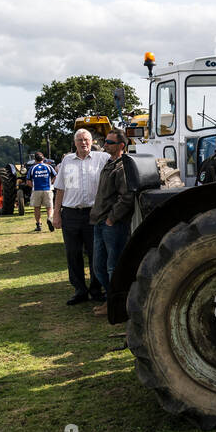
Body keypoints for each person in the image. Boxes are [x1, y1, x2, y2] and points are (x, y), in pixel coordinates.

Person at [51, 129, 110, 306]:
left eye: (86, 139)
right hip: (70, 214)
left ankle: (96, 289)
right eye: (79, 140)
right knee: (73, 253)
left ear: (91, 142)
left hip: (93, 213)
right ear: (74, 143)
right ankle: (79, 290)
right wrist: (56, 214)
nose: (83, 143)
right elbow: (60, 188)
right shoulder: (67, 161)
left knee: (96, 254)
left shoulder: (102, 158)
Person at [90, 131, 135, 315]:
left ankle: (118, 305)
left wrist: (112, 219)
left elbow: (127, 197)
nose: (105, 144)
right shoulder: (110, 164)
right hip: (100, 221)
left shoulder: (122, 167)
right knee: (99, 266)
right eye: (105, 141)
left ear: (121, 146)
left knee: (112, 267)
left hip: (112, 224)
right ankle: (111, 300)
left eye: (109, 142)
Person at [27, 152, 56, 232]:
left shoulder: (32, 168)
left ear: (35, 160)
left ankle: (38, 225)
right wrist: (52, 183)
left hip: (36, 190)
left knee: (37, 208)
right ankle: (50, 218)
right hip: (48, 189)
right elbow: (55, 176)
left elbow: (28, 182)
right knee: (49, 207)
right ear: (43, 159)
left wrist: (33, 187)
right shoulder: (49, 167)